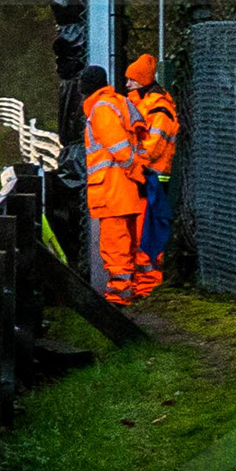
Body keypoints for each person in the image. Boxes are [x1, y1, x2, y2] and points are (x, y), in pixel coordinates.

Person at [80, 61, 149, 306]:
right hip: (126, 188)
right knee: (128, 241)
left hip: (112, 187)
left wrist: (134, 170)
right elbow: (139, 139)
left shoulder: (101, 108)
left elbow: (118, 146)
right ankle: (130, 289)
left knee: (114, 243)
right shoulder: (121, 102)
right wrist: (139, 174)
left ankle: (119, 295)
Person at [122, 52, 179, 297]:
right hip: (146, 177)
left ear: (143, 81)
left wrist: (130, 158)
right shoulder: (145, 104)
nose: (127, 85)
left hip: (154, 178)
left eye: (132, 81)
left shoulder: (160, 108)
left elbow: (153, 147)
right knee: (142, 233)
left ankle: (149, 284)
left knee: (150, 233)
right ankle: (143, 283)